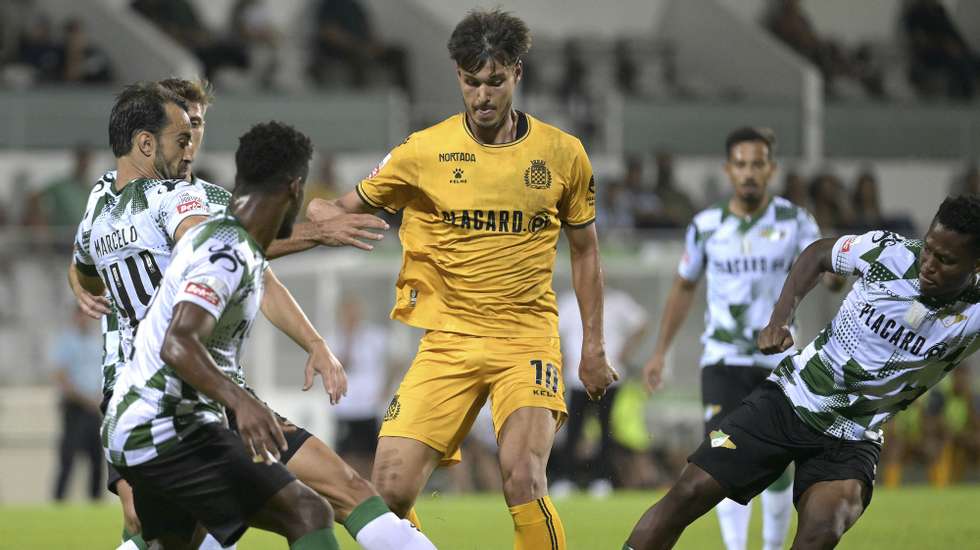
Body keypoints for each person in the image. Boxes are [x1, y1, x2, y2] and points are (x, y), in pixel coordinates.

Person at [69, 81, 433, 550]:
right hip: (178, 396)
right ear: (147, 140)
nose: (192, 144)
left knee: (315, 500)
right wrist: (316, 233)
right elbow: (224, 248)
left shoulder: (100, 205)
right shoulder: (178, 200)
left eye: (196, 127)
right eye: (183, 133)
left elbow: (86, 268)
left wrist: (83, 286)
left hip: (156, 398)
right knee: (307, 509)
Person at [309, 9, 618, 549]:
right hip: (447, 342)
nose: (482, 96)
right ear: (458, 76)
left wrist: (592, 345)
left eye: (494, 81)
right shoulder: (421, 152)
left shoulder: (563, 154)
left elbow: (586, 251)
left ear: (517, 74)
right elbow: (344, 207)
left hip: (527, 340)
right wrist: (316, 212)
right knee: (387, 491)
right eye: (471, 82)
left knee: (522, 475)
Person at [626, 194, 980, 549]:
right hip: (788, 399)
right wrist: (780, 319)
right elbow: (817, 254)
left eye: (946, 260)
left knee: (822, 531)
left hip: (853, 436)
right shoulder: (887, 251)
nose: (929, 265)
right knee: (687, 493)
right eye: (929, 250)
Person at [97, 120, 342, 548]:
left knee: (177, 542)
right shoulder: (226, 251)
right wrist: (242, 402)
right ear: (295, 189)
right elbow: (179, 342)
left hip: (140, 423)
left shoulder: (221, 238)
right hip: (165, 425)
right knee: (309, 512)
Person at [641, 128, 827, 550]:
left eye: (757, 164)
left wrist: (834, 279)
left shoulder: (796, 222)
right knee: (721, 455)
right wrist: (659, 352)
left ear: (770, 169)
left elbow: (824, 266)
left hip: (778, 359)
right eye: (740, 164)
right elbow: (684, 286)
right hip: (723, 360)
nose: (748, 173)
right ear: (728, 170)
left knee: (779, 461)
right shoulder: (706, 226)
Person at [552, 287, 648, 498]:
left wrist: (625, 352)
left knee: (606, 431)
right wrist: (563, 358)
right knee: (573, 431)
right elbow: (554, 332)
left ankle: (602, 479)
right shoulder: (569, 302)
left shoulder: (616, 301)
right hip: (576, 378)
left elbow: (641, 322)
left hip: (608, 377)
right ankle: (566, 479)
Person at [328, 297, 390, 478]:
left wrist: (386, 387)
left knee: (370, 453)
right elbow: (338, 365)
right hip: (345, 406)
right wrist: (349, 340)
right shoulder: (334, 338)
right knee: (347, 454)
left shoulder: (375, 336)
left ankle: (371, 488)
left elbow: (396, 360)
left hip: (369, 405)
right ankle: (352, 487)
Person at [50, 305, 104, 502]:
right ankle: (59, 499)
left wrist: (97, 398)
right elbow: (60, 375)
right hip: (74, 406)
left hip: (93, 407)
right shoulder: (66, 341)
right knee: (68, 456)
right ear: (75, 316)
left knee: (96, 457)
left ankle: (95, 501)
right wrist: (85, 398)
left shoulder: (95, 342)